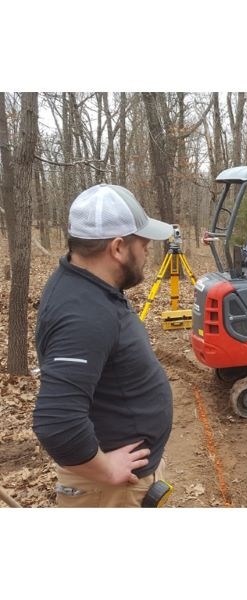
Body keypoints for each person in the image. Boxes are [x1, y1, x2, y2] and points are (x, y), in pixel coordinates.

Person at [32, 184, 175, 507]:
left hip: (123, 484)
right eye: (143, 241)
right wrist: (106, 470)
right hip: (110, 492)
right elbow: (56, 422)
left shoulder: (88, 285)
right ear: (118, 248)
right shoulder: (83, 313)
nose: (149, 248)